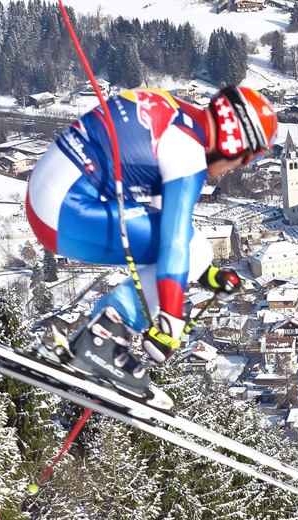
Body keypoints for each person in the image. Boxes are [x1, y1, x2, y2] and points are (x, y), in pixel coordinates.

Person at [25, 86, 276, 394]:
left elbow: (156, 221)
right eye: (242, 160)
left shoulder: (176, 112)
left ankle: (98, 340)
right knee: (193, 246)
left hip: (49, 200)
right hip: (66, 212)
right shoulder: (188, 151)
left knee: (196, 249)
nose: (232, 169)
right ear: (233, 142)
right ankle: (103, 340)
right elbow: (173, 242)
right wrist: (170, 324)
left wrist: (204, 273)